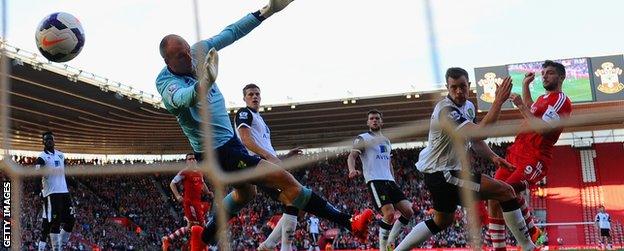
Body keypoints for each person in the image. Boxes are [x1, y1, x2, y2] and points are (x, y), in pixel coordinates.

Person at [155, 0, 373, 246]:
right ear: (169, 63)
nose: (188, 57)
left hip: (230, 144)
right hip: (216, 153)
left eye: (187, 49)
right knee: (286, 182)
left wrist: (267, 11)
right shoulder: (166, 84)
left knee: (247, 193)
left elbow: (232, 32)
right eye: (181, 56)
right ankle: (349, 223)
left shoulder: (198, 52)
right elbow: (181, 99)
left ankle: (202, 239)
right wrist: (203, 83)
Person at [394, 67, 539, 251]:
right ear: (447, 88)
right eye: (453, 87)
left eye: (462, 86)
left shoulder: (468, 107)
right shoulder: (446, 111)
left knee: (442, 221)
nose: (459, 91)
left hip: (441, 174)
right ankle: (528, 247)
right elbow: (482, 132)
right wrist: (498, 101)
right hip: (444, 173)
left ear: (469, 85)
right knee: (506, 191)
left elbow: (476, 140)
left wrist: (493, 157)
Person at [488, 60, 572, 251]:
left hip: (535, 157)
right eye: (543, 73)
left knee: (506, 191)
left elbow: (542, 129)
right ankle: (503, 247)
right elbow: (530, 107)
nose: (545, 76)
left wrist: (520, 106)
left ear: (561, 77)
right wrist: (525, 85)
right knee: (492, 196)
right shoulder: (543, 99)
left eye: (549, 73)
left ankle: (529, 240)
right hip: (516, 152)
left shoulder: (561, 100)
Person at [232, 83, 301, 251]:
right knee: (294, 198)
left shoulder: (260, 120)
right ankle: (277, 247)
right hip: (257, 165)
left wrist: (285, 156)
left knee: (295, 201)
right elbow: (246, 140)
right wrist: (269, 157)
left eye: (257, 94)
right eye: (250, 94)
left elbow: (269, 151)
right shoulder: (244, 113)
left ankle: (268, 245)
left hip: (267, 164)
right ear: (244, 98)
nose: (254, 96)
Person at [347, 109, 413, 250]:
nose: (374, 120)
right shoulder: (363, 138)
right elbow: (352, 156)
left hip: (389, 181)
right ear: (368, 122)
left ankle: (390, 240)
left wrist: (393, 179)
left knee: (408, 211)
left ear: (381, 121)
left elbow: (389, 163)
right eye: (371, 118)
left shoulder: (387, 141)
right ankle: (383, 248)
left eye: (377, 118)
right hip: (375, 180)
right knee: (389, 214)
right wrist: (352, 169)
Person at [162, 153, 214, 250]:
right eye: (189, 159)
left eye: (193, 159)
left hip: (198, 203)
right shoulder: (184, 172)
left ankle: (168, 239)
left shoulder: (199, 172)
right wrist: (177, 195)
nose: (192, 160)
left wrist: (208, 192)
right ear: (186, 161)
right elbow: (172, 184)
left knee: (191, 226)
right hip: (190, 203)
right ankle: (205, 247)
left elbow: (202, 184)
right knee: (201, 224)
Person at [35, 131, 75, 251]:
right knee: (55, 221)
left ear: (54, 140)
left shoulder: (61, 155)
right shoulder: (41, 157)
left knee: (71, 219)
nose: (49, 141)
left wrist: (73, 182)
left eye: (51, 139)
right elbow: (36, 175)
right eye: (46, 139)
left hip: (64, 192)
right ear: (43, 142)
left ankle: (61, 244)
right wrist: (38, 190)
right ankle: (56, 248)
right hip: (51, 193)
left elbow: (66, 171)